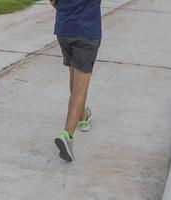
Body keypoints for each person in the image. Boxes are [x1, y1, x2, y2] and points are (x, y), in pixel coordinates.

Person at [50, 0, 102, 162]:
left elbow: (53, 1)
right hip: (86, 31)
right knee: (81, 87)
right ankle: (67, 134)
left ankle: (83, 116)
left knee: (74, 77)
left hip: (64, 29)